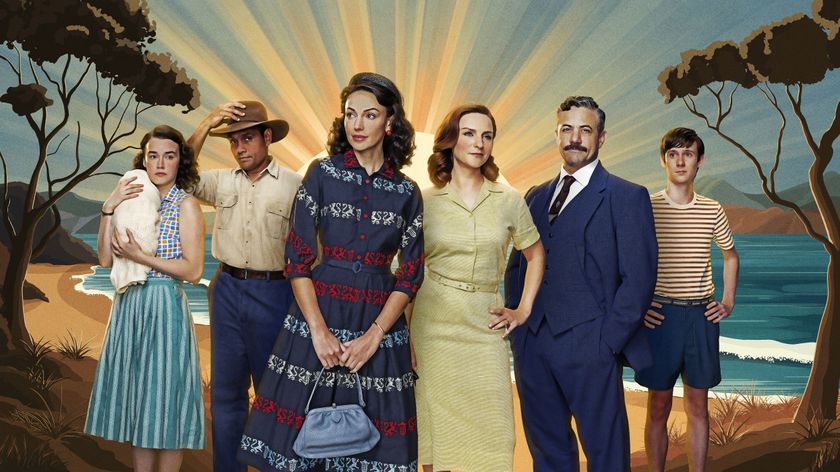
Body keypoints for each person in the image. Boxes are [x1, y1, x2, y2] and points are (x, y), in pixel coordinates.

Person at [238, 72, 424, 471]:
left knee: (372, 450)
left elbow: (410, 275)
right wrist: (319, 333)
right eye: (350, 114)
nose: (357, 125)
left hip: (379, 322)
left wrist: (375, 337)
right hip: (318, 314)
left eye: (369, 115)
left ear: (389, 123)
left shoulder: (407, 192)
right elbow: (297, 259)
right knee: (300, 446)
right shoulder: (322, 174)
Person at [505, 96, 657, 471]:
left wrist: (607, 343)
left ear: (601, 137)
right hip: (534, 345)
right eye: (567, 129)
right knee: (547, 453)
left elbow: (639, 280)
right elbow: (516, 267)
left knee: (606, 455)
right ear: (556, 135)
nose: (575, 138)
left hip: (592, 344)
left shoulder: (627, 196)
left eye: (585, 130)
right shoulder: (535, 196)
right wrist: (519, 329)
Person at [411, 104, 544, 471]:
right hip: (431, 326)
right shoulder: (423, 200)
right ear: (451, 139)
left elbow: (536, 255)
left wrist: (523, 309)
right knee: (435, 435)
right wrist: (404, 337)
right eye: (469, 133)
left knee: (495, 434)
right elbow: (406, 273)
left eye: (486, 136)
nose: (478, 143)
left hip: (485, 326)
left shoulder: (509, 199)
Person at [188, 100, 302, 471]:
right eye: (234, 141)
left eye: (248, 138)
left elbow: (311, 249)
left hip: (275, 292)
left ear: (267, 138)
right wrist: (208, 123)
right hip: (226, 290)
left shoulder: (295, 186)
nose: (239, 148)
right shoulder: (221, 181)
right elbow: (179, 174)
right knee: (226, 393)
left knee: (272, 396)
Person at [85, 125, 206, 472]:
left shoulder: (186, 205)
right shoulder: (132, 197)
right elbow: (106, 260)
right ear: (144, 158)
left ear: (179, 160)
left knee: (165, 400)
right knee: (139, 400)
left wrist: (143, 258)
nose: (160, 163)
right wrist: (108, 208)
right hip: (129, 306)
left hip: (164, 305)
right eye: (153, 155)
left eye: (169, 156)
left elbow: (194, 270)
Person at [636, 127, 739, 472]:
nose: (681, 161)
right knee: (658, 407)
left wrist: (728, 300)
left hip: (700, 318)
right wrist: (639, 306)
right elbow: (628, 259)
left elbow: (731, 255)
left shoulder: (712, 209)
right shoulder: (647, 206)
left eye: (688, 154)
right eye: (673, 154)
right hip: (660, 318)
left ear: (699, 161)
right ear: (664, 160)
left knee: (698, 407)